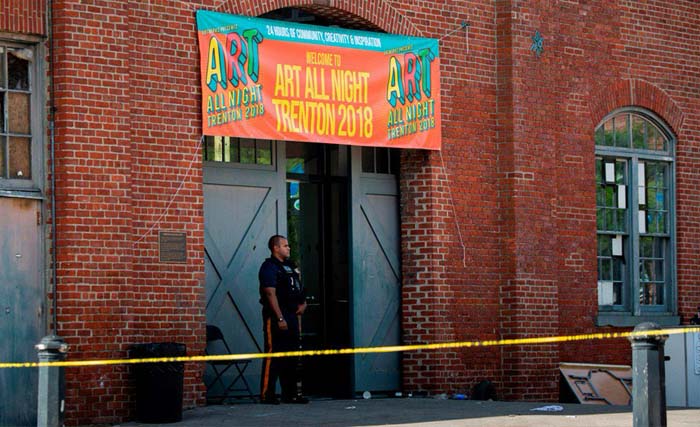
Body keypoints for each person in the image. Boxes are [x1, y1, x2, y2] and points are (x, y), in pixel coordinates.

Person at [259, 234, 308, 404]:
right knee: (275, 354)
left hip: (293, 315)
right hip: (276, 316)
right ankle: (268, 394)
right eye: (285, 246)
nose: (289, 248)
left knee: (293, 355)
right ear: (276, 248)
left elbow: (298, 287)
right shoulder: (269, 267)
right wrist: (279, 318)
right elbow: (270, 293)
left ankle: (291, 394)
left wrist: (304, 303)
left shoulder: (290, 267)